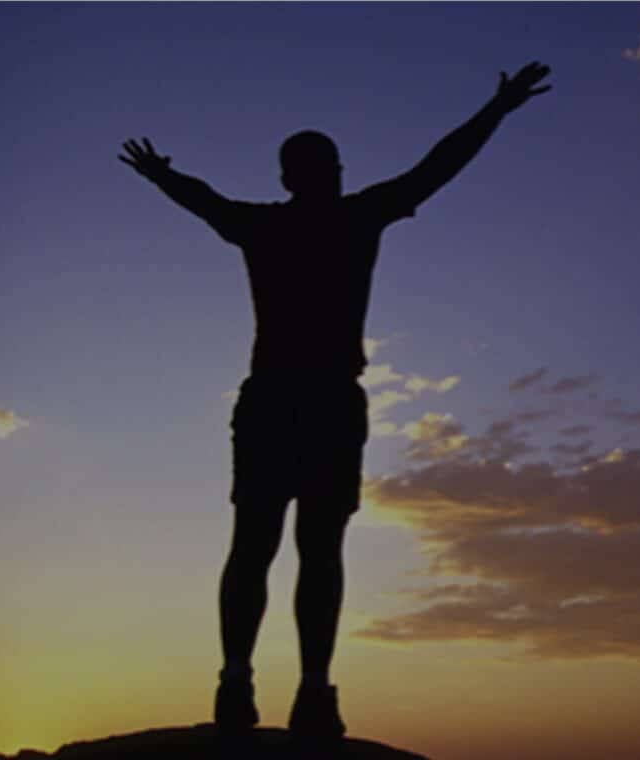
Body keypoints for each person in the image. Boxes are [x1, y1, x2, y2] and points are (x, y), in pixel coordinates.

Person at [118, 61, 552, 740]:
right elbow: (434, 168)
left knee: (273, 546)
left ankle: (265, 684)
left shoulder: (277, 224)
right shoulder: (343, 218)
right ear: (301, 176)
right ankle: (282, 687)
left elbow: (205, 197)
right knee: (295, 548)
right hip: (309, 403)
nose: (333, 174)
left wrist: (161, 176)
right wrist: (496, 110)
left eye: (331, 165)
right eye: (325, 165)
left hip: (296, 403)